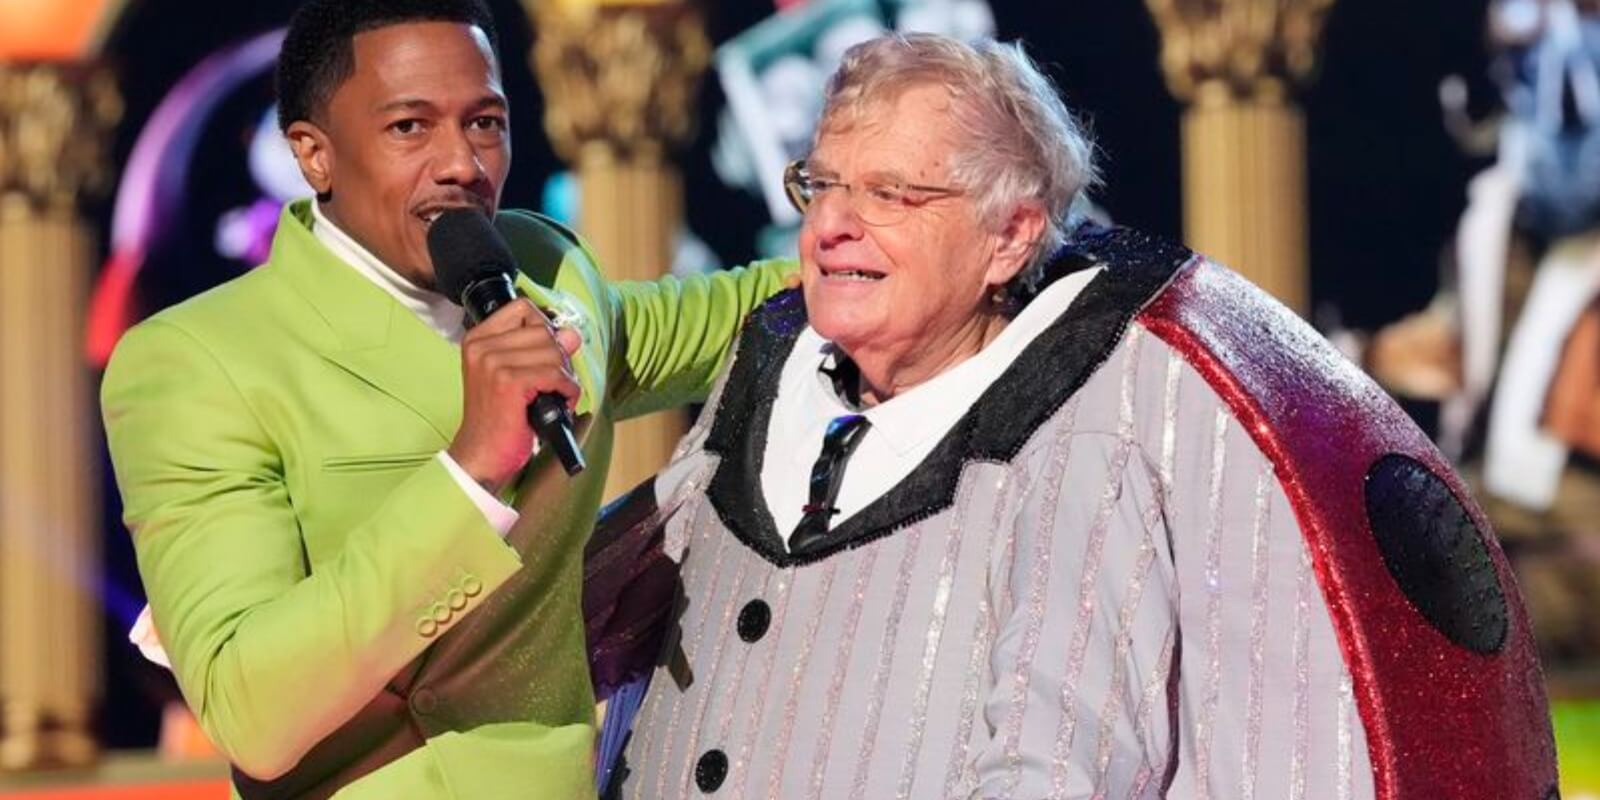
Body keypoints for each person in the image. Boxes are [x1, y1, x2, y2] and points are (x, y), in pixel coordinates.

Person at [582, 33, 1558, 798]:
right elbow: (596, 614)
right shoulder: (772, 369)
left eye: (889, 193)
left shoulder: (1078, 441)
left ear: (1009, 236)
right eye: (823, 183)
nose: (833, 223)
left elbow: (1056, 766)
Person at [100, 1, 791, 797]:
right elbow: (254, 714)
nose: (462, 162)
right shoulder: (198, 361)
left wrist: (863, 230)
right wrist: (470, 472)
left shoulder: (545, 267)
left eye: (485, 123)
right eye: (410, 127)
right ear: (314, 154)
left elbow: (732, 317)